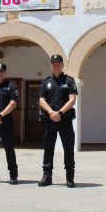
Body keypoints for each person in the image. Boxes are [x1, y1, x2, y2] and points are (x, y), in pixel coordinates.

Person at [38, 54, 78, 188]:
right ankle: (47, 176)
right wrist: (51, 112)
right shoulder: (46, 81)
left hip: (65, 119)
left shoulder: (69, 81)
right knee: (48, 148)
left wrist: (60, 112)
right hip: (49, 119)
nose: (56, 65)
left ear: (62, 65)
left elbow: (72, 100)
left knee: (68, 148)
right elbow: (41, 100)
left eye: (58, 63)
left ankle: (70, 178)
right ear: (51, 65)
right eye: (54, 63)